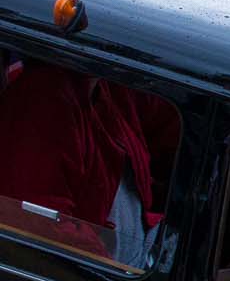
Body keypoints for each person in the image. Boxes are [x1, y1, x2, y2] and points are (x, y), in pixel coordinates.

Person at [0, 59, 179, 267]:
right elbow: (44, 229)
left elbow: (171, 123)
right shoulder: (44, 102)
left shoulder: (110, 86)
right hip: (109, 277)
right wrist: (117, 280)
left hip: (147, 250)